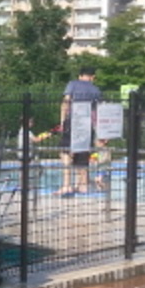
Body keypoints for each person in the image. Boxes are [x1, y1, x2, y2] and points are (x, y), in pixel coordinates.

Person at [59, 65, 102, 196]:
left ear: (80, 75)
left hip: (73, 121)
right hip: (87, 123)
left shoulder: (72, 84)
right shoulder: (96, 90)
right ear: (93, 77)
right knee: (83, 153)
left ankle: (67, 185)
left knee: (65, 152)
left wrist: (62, 121)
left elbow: (66, 102)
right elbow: (97, 111)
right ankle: (83, 185)